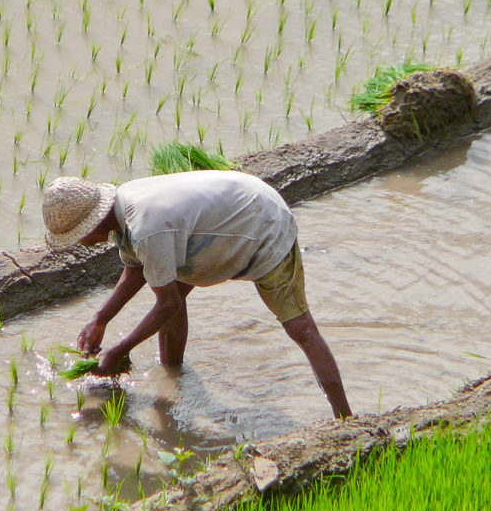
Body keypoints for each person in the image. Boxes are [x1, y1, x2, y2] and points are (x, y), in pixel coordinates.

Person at [42, 171, 352, 419]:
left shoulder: (146, 227)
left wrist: (118, 350)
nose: (81, 245)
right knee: (171, 285)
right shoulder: (125, 208)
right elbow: (136, 269)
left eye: (78, 238)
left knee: (302, 329)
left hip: (263, 224)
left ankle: (346, 422)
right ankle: (173, 378)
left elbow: (167, 305)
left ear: (91, 225)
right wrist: (100, 319)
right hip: (231, 213)